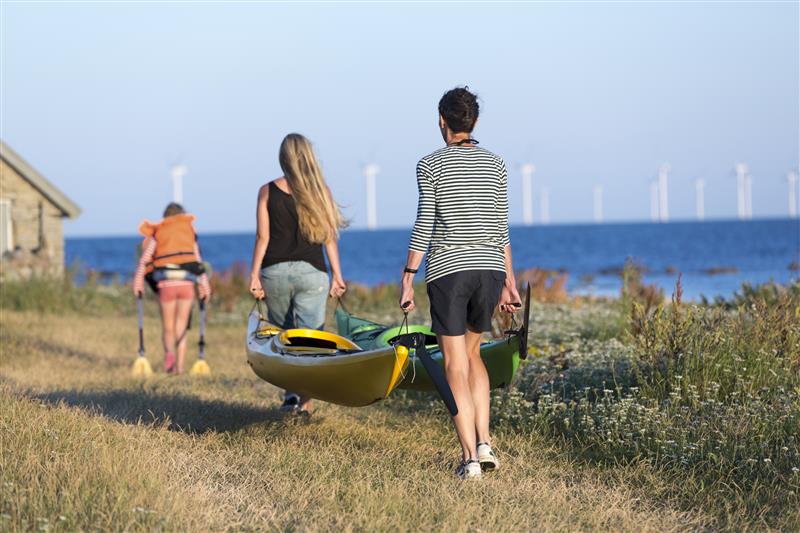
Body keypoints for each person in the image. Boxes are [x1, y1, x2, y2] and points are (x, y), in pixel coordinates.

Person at [399, 87, 521, 480]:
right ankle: (485, 442)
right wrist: (510, 282)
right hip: (490, 271)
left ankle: (469, 458)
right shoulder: (497, 164)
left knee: (453, 363)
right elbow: (500, 227)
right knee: (474, 357)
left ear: (442, 121)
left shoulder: (429, 165)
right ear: (475, 122)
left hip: (450, 271)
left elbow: (425, 223)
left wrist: (407, 278)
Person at [249, 133, 347, 415]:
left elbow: (262, 238)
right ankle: (305, 402)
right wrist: (338, 275)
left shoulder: (267, 191)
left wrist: (254, 274)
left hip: (275, 273)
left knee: (283, 336)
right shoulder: (321, 191)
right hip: (313, 274)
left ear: (283, 158)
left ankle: (290, 395)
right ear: (308, 156)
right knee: (311, 340)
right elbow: (330, 237)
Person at [133, 203, 211, 374]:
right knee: (181, 327)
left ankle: (169, 360)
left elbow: (145, 259)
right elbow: (198, 262)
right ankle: (181, 367)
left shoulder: (159, 231)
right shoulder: (188, 231)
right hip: (187, 284)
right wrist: (205, 288)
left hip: (166, 284)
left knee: (168, 327)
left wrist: (138, 283)